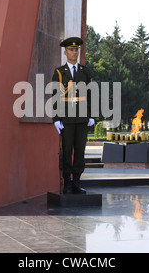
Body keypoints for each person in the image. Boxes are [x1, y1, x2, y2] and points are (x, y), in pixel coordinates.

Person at [52, 37, 95, 194]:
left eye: (76, 49)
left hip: (82, 118)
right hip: (67, 119)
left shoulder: (85, 71)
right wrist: (56, 119)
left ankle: (77, 181)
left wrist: (91, 115)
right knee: (67, 150)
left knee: (80, 150)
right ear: (65, 52)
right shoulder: (59, 72)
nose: (74, 52)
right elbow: (56, 96)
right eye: (71, 49)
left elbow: (90, 94)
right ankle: (67, 183)